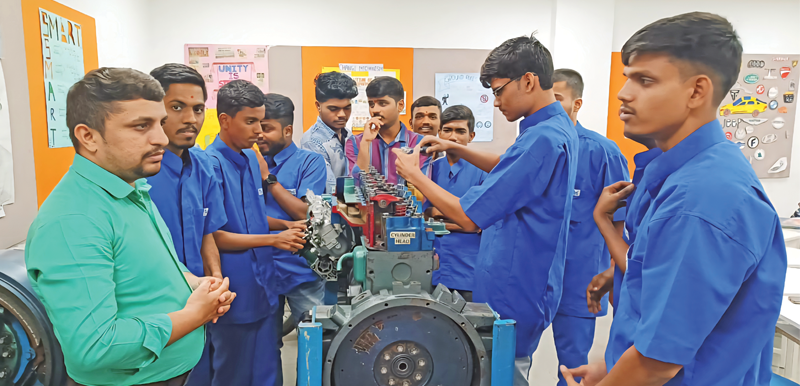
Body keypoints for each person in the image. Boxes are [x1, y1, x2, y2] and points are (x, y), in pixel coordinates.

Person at [561, 12, 787, 386]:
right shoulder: (676, 174)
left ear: (697, 91)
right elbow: (657, 298)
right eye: (628, 77)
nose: (623, 93)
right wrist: (613, 367)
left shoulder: (702, 199)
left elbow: (656, 363)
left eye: (645, 80)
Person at [25, 67, 235, 386]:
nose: (161, 138)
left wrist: (192, 283)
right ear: (88, 137)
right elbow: (95, 347)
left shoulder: (130, 189)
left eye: (159, 123)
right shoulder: (73, 221)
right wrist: (194, 315)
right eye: (141, 126)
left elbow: (146, 268)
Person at [393, 35, 578, 386]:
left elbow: (467, 216)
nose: (495, 102)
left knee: (506, 372)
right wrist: (454, 147)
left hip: (516, 284)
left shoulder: (542, 139)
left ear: (528, 81)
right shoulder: (552, 129)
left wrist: (414, 175)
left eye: (499, 91)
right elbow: (509, 166)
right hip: (527, 279)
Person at [204, 80, 306, 386]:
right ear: (225, 120)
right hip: (235, 286)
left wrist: (285, 225)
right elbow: (217, 235)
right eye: (250, 122)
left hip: (264, 282)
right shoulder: (210, 165)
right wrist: (275, 239)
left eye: (261, 122)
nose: (259, 131)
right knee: (233, 370)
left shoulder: (251, 158)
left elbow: (252, 215)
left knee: (268, 365)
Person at [549, 68, 629, 386]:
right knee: (512, 355)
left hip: (580, 275)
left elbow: (620, 217)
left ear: (577, 103)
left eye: (557, 98)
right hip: (536, 273)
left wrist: (613, 269)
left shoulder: (603, 151)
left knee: (573, 366)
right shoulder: (537, 147)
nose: (550, 106)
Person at [254, 93, 327, 322]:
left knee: (314, 335)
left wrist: (268, 178)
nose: (259, 134)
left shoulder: (310, 162)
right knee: (266, 339)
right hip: (260, 271)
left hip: (300, 270)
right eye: (256, 126)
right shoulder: (248, 162)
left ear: (287, 131)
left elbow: (304, 213)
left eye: (267, 128)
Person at [587, 133, 658, 317]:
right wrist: (615, 271)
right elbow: (645, 253)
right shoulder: (649, 170)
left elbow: (654, 278)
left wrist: (603, 219)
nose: (623, 120)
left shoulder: (685, 183)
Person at [422, 105, 486, 302]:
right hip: (431, 269)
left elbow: (479, 223)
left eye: (460, 131)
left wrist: (438, 217)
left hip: (468, 270)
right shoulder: (429, 170)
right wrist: (460, 221)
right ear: (439, 133)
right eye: (447, 130)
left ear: (471, 136)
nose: (453, 137)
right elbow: (422, 217)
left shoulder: (482, 172)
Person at [346, 77, 431, 183]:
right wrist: (365, 143)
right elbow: (355, 185)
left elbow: (423, 186)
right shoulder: (355, 142)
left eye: (383, 103)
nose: (375, 110)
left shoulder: (420, 143)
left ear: (400, 105)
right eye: (371, 104)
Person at [301, 72, 358, 193]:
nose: (342, 114)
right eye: (333, 109)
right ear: (318, 106)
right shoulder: (312, 142)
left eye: (347, 108)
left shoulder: (349, 135)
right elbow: (330, 190)